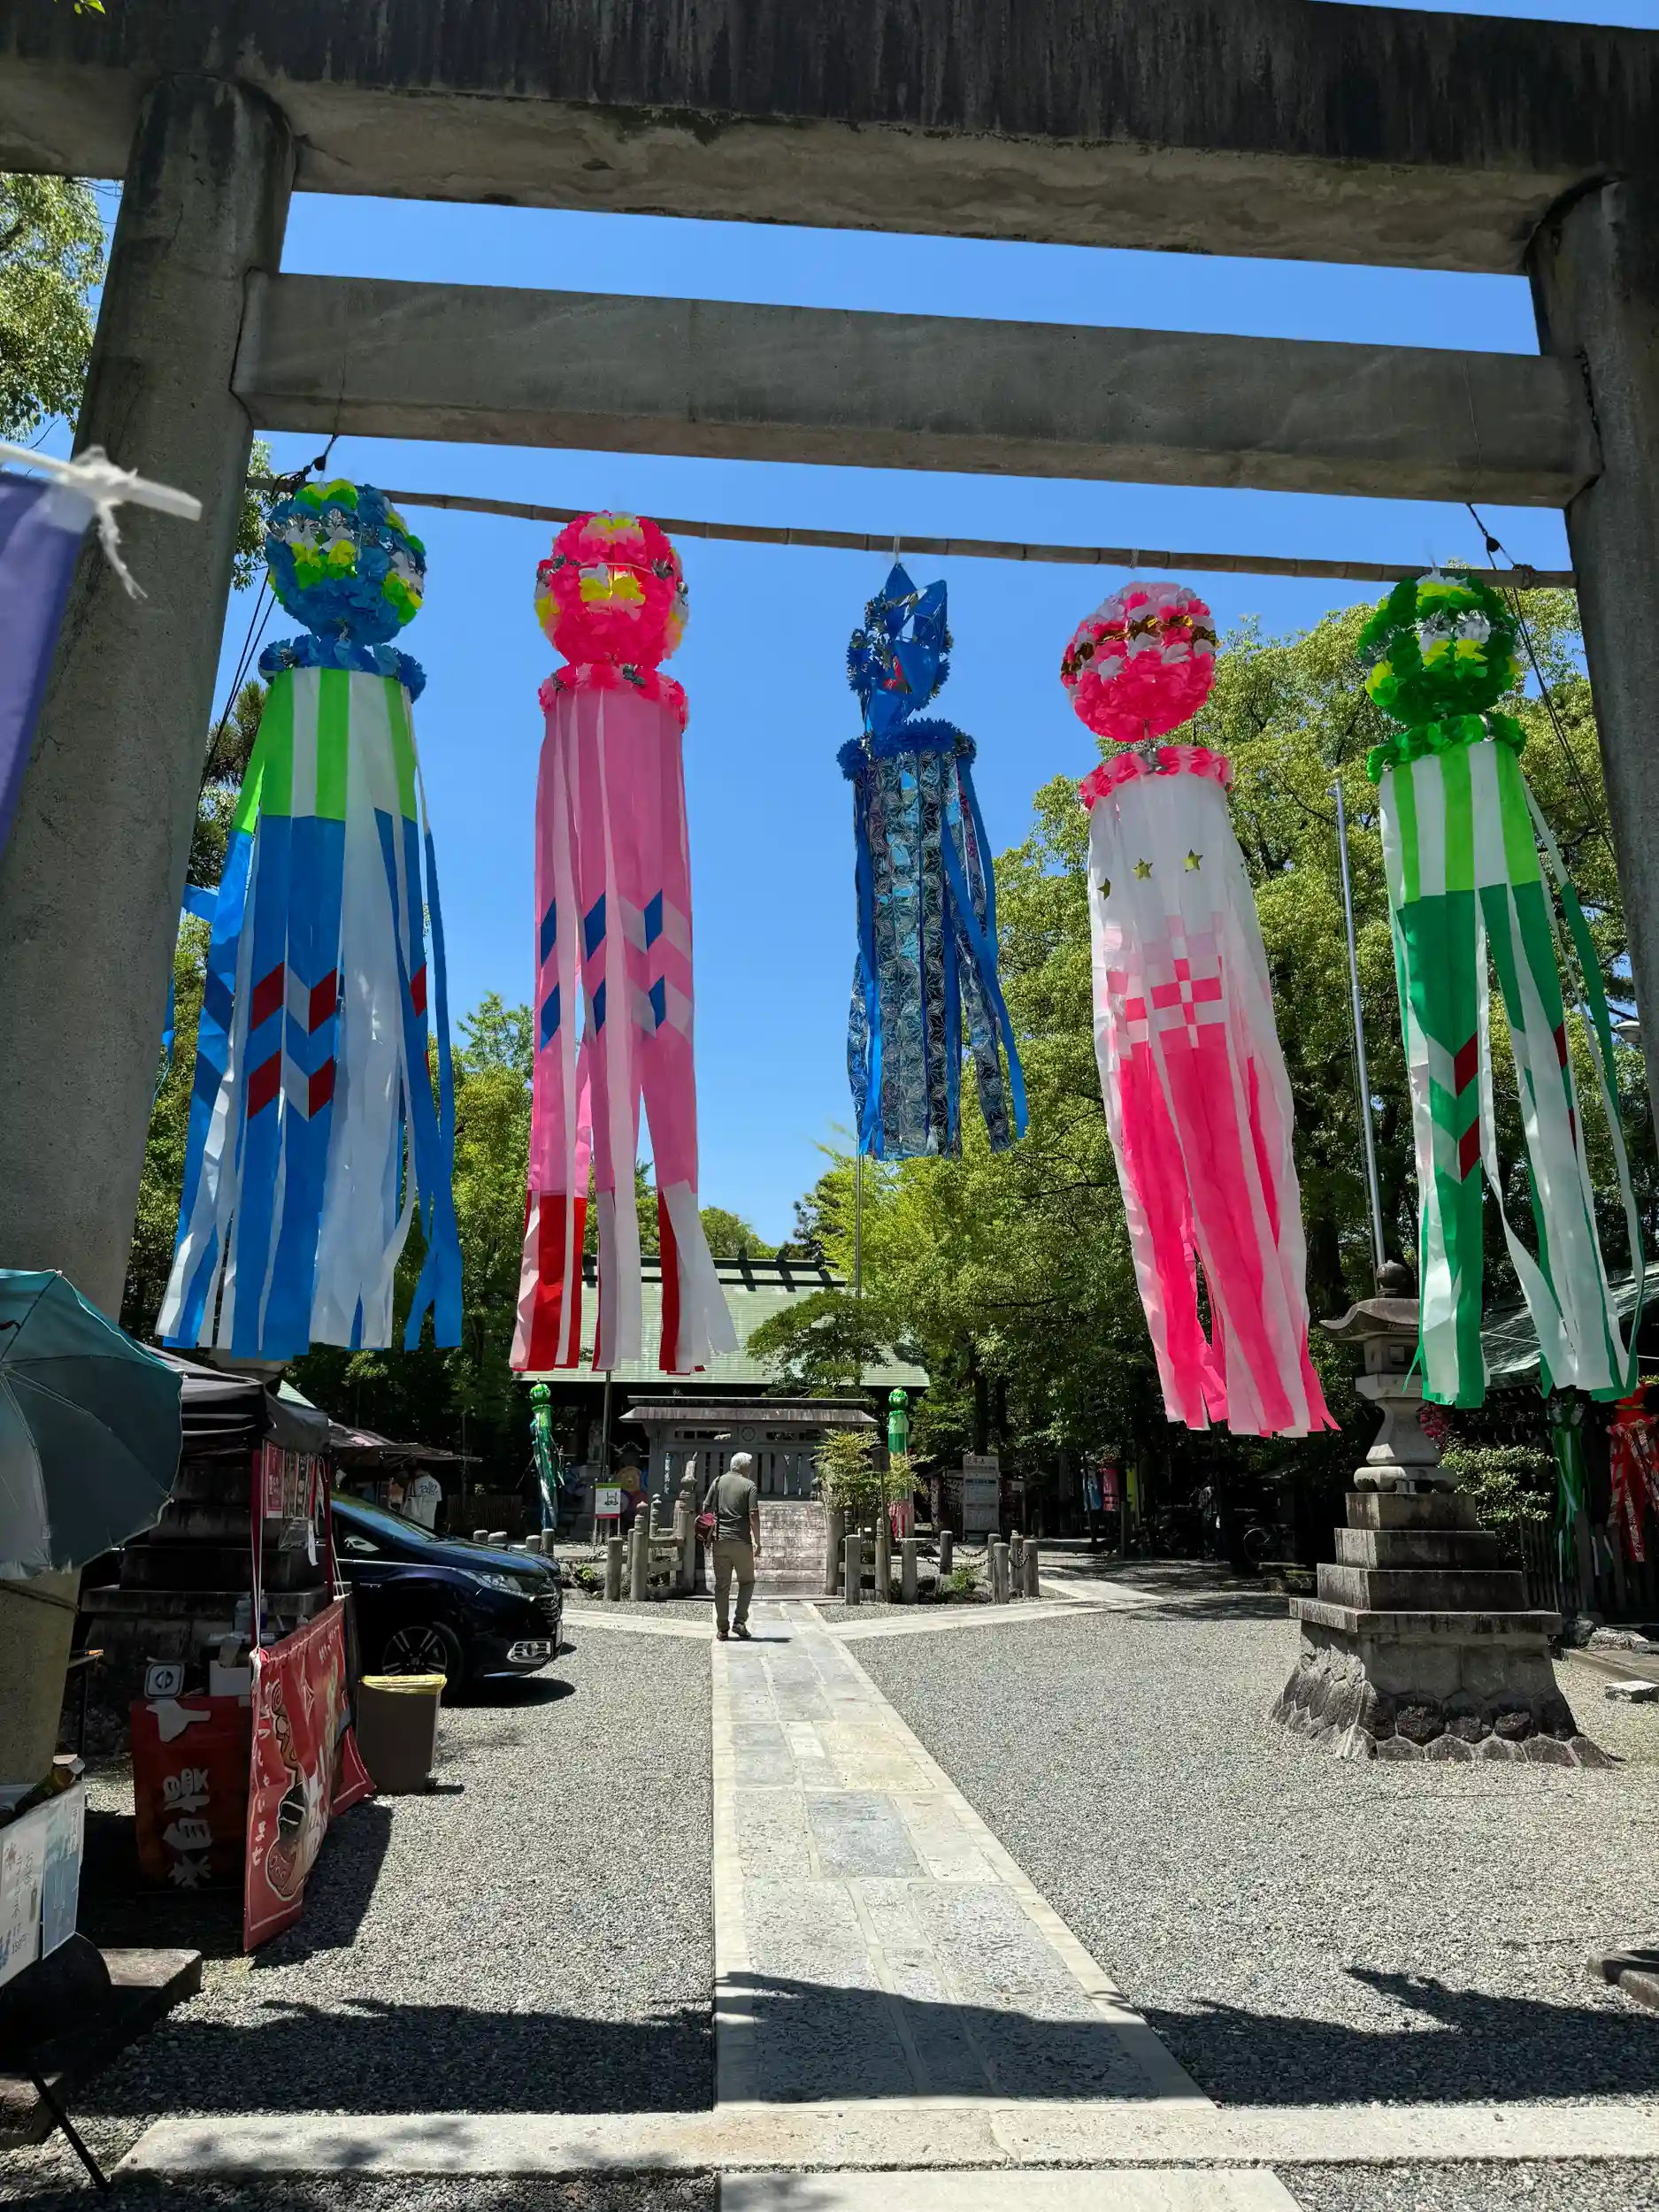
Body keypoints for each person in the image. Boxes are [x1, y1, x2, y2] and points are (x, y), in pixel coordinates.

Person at [703, 1451, 761, 1640]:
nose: (752, 1468)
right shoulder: (749, 1485)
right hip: (741, 1541)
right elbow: (753, 1514)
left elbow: (706, 1508)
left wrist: (708, 1534)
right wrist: (758, 1540)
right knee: (747, 1581)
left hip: (720, 1541)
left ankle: (722, 1629)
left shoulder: (718, 1481)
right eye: (750, 1465)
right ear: (743, 1466)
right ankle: (739, 1621)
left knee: (722, 1585)